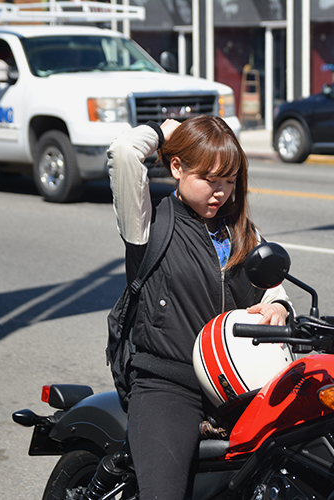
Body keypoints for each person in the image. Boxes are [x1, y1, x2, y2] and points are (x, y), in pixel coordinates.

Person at [107, 115, 292, 500]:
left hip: (238, 387)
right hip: (168, 384)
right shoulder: (150, 223)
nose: (220, 193)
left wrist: (277, 306)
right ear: (177, 167)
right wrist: (165, 134)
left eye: (228, 181)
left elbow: (273, 288)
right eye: (209, 180)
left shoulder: (241, 228)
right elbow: (125, 153)